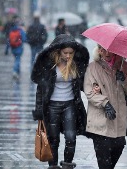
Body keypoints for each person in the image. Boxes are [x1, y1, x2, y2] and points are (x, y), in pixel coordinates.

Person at [31, 34, 89, 169]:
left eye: (71, 53)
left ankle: (67, 164)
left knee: (71, 137)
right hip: (52, 106)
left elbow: (83, 85)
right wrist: (39, 108)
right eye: (65, 53)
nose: (68, 56)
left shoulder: (76, 65)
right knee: (53, 139)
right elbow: (41, 90)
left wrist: (95, 88)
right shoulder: (50, 66)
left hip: (70, 105)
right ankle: (53, 165)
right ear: (59, 52)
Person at [83, 44, 127, 169]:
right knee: (104, 162)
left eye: (110, 50)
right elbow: (89, 91)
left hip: (119, 118)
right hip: (100, 120)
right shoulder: (93, 67)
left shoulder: (124, 66)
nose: (107, 53)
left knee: (119, 145)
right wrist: (105, 103)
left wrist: (124, 80)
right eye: (102, 49)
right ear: (99, 50)